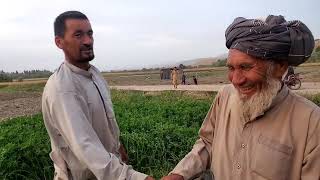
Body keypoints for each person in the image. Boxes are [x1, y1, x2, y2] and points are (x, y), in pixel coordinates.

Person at [162, 15, 319, 180]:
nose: (236, 80)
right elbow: (207, 143)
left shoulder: (312, 123)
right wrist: (179, 174)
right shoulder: (225, 96)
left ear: (279, 67)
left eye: (245, 67)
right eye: (231, 67)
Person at [42, 11, 154, 180]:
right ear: (59, 42)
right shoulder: (63, 88)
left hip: (109, 170)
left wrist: (117, 146)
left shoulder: (95, 75)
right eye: (78, 35)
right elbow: (86, 146)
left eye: (90, 34)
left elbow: (106, 120)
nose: (88, 41)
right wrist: (136, 178)